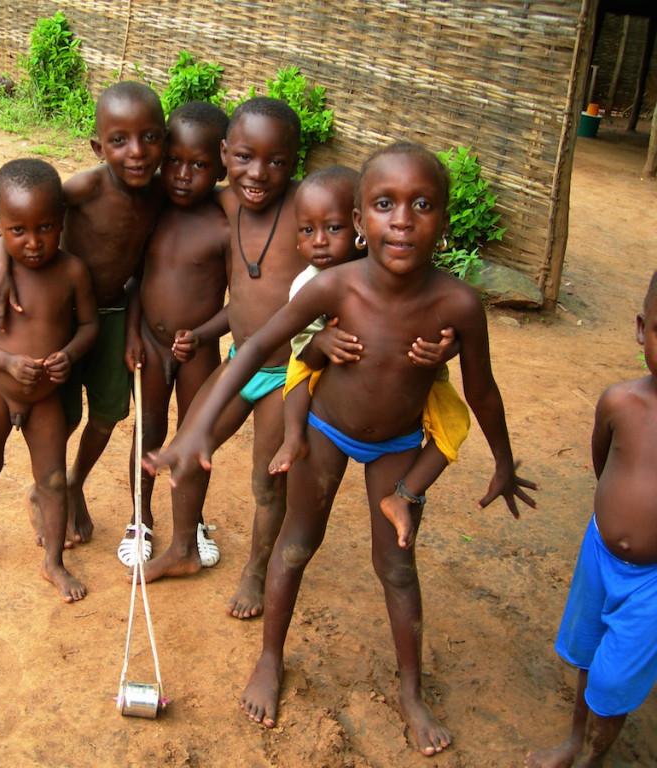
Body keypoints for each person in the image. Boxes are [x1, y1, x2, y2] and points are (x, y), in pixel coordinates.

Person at [145, 141, 537, 754]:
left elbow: (482, 393)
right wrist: (198, 425)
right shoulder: (335, 288)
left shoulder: (458, 303)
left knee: (398, 568)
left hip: (400, 444)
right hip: (325, 431)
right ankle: (271, 659)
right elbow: (257, 347)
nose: (402, 221)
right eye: (384, 204)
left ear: (445, 220)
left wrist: (506, 463)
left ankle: (411, 693)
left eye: (422, 205)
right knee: (297, 544)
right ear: (360, 221)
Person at [140, 97, 309, 621]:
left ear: (294, 163)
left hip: (288, 375)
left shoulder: (307, 206)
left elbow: (365, 226)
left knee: (266, 481)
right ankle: (183, 547)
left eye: (276, 161)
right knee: (188, 446)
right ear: (223, 155)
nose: (258, 173)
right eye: (243, 157)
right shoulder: (224, 202)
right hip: (239, 360)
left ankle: (256, 571)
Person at [0, 81, 165, 548]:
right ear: (97, 146)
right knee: (60, 416)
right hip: (63, 317)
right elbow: (26, 214)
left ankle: (75, 482)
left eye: (150, 137)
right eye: (119, 140)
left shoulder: (162, 196)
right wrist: (0, 262)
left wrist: (132, 327)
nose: (137, 152)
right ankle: (49, 490)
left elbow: (145, 264)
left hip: (112, 316)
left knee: (106, 414)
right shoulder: (86, 186)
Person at [269, 165, 470, 550]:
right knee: (297, 372)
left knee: (454, 425)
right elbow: (294, 347)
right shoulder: (313, 284)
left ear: (355, 226)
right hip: (324, 388)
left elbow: (445, 328)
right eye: (308, 231)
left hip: (404, 407)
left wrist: (450, 347)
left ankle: (407, 493)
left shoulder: (406, 274)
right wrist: (322, 343)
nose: (321, 242)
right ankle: (293, 437)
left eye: (334, 228)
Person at [526, 271, 657, 768]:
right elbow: (604, 464)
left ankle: (594, 757)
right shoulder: (620, 401)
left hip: (653, 580)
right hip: (599, 552)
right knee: (586, 652)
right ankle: (576, 742)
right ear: (643, 329)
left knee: (614, 676)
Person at [0, 158, 98, 603]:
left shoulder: (72, 272)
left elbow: (90, 326)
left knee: (53, 480)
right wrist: (6, 362)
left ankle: (53, 561)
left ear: (62, 221)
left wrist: (69, 357)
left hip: (45, 397)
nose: (34, 243)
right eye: (18, 230)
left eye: (46, 228)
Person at [120, 101, 231, 567]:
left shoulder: (227, 225)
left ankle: (192, 520)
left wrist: (203, 335)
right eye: (175, 162)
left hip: (198, 350)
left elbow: (243, 303)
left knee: (193, 435)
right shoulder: (151, 209)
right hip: (147, 339)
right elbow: (135, 278)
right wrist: (131, 333)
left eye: (200, 165)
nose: (183, 174)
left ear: (223, 163)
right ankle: (140, 516)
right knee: (148, 430)